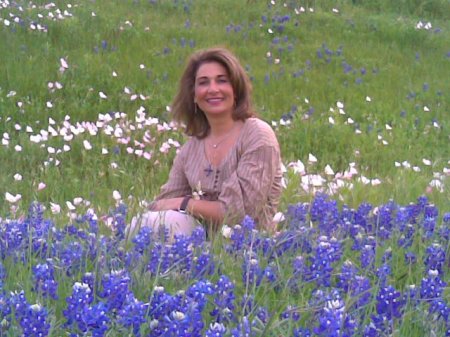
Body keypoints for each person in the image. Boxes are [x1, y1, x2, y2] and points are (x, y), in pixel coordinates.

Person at [129, 47, 283, 239]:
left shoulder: (257, 136)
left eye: (222, 80)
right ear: (194, 94)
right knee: (142, 225)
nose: (212, 89)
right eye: (203, 83)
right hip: (197, 242)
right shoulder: (191, 148)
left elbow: (239, 214)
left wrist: (186, 204)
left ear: (236, 89)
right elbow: (165, 203)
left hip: (249, 245)